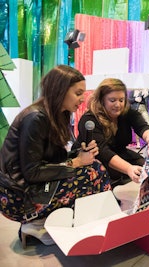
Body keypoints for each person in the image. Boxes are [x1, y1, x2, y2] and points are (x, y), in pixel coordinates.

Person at [0, 65, 111, 248]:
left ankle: (84, 221)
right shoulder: (35, 118)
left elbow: (52, 158)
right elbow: (32, 172)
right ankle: (36, 222)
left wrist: (79, 154)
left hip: (33, 186)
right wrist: (75, 162)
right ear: (60, 90)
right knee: (91, 174)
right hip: (18, 196)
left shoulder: (56, 115)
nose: (82, 99)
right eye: (78, 93)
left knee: (95, 167)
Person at [73, 78, 149, 188]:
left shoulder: (127, 113)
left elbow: (142, 126)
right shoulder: (89, 120)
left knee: (144, 166)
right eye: (112, 100)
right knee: (117, 172)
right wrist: (128, 168)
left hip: (118, 152)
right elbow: (103, 152)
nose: (118, 105)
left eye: (121, 100)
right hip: (93, 157)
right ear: (102, 100)